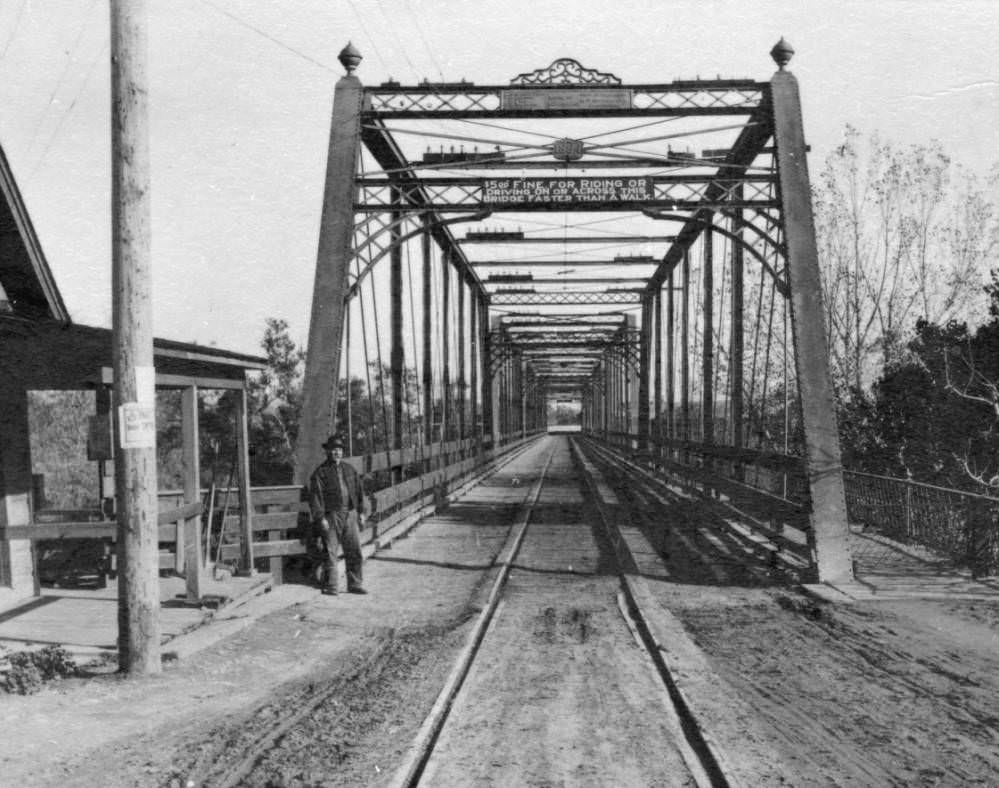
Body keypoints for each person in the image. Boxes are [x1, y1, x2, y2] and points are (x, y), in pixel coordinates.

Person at [308, 435, 368, 595]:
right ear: (327, 451)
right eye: (334, 450)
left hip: (350, 513)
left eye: (340, 450)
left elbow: (360, 492)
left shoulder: (350, 469)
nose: (337, 453)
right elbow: (316, 497)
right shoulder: (320, 473)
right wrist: (320, 517)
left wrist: (362, 511)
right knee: (330, 552)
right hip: (331, 516)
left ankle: (355, 584)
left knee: (354, 550)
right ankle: (332, 586)